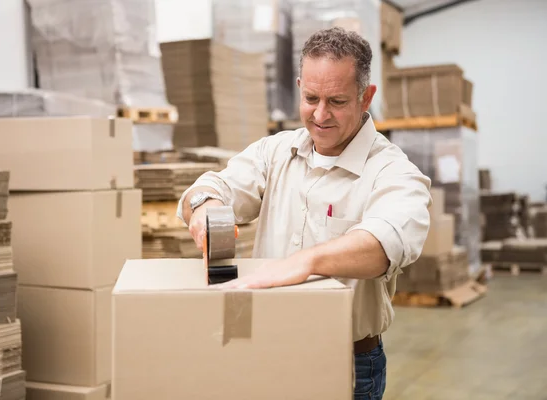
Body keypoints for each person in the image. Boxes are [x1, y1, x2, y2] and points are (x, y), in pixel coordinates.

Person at [176, 27, 432, 399]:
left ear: (366, 97)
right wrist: (206, 209)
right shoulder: (274, 152)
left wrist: (307, 261)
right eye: (311, 97)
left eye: (337, 101)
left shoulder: (394, 172)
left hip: (347, 359)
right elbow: (210, 187)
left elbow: (384, 243)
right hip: (265, 347)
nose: (320, 114)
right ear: (299, 87)